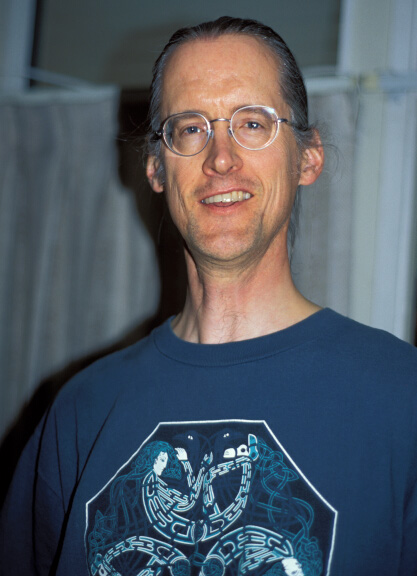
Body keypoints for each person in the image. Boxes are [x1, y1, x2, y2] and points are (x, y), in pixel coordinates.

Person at [1, 16, 417, 576]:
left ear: (308, 157)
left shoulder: (401, 397)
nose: (221, 158)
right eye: (191, 129)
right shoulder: (81, 413)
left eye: (253, 122)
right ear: (156, 167)